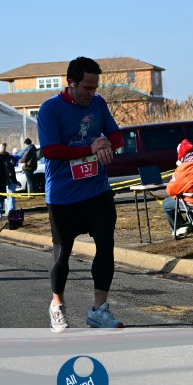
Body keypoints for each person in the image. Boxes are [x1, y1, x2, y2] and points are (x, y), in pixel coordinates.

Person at [38, 56, 124, 332]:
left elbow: (117, 137)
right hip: (63, 195)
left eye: (95, 87)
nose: (92, 93)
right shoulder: (50, 109)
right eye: (87, 88)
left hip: (97, 190)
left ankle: (99, 309)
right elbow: (50, 150)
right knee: (62, 253)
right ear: (71, 83)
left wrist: (105, 144)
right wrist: (89, 148)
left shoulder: (98, 104)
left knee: (105, 245)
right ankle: (57, 305)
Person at [162, 139, 193, 236]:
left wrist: (174, 177)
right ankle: (191, 226)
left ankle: (180, 228)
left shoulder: (185, 169)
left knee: (166, 203)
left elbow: (170, 190)